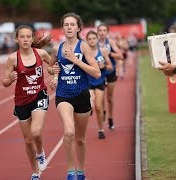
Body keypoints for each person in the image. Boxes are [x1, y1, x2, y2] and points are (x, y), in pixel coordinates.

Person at [48, 12, 101, 180]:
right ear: (62, 28)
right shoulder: (58, 48)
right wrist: (54, 72)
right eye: (66, 24)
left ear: (78, 28)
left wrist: (76, 60)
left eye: (72, 24)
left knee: (80, 139)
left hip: (82, 94)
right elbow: (50, 67)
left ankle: (81, 171)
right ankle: (71, 173)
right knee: (69, 132)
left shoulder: (83, 46)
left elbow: (97, 73)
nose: (69, 27)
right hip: (63, 94)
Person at [2, 25, 52, 180]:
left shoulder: (41, 53)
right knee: (28, 140)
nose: (25, 39)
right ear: (17, 39)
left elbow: (52, 67)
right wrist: (10, 79)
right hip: (22, 101)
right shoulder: (13, 58)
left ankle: (40, 153)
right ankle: (35, 171)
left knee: (36, 132)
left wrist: (54, 74)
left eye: (28, 36)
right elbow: (4, 81)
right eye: (22, 36)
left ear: (32, 38)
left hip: (39, 96)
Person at [85, 30, 113, 139]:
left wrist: (104, 66)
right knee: (90, 103)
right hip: (88, 82)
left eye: (94, 38)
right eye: (89, 39)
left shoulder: (103, 51)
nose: (92, 40)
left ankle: (101, 129)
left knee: (98, 107)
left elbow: (111, 67)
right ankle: (89, 107)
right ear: (87, 41)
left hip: (100, 82)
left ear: (97, 40)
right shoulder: (85, 53)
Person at [97, 23, 124, 130]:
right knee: (101, 96)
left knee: (110, 98)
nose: (102, 33)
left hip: (110, 72)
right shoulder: (94, 43)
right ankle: (103, 111)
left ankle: (111, 117)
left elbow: (121, 56)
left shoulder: (111, 42)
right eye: (100, 30)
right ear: (98, 32)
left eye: (104, 30)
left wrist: (109, 54)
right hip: (100, 73)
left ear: (107, 32)